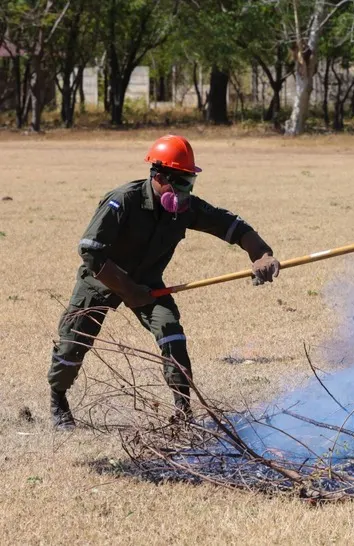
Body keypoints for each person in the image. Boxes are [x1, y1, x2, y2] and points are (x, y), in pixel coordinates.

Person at [48, 135, 280, 429]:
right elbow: (91, 252)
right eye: (180, 184)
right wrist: (128, 290)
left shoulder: (183, 209)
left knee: (172, 335)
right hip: (102, 279)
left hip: (148, 285)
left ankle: (183, 413)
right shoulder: (122, 201)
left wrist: (261, 254)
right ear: (158, 176)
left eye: (189, 184)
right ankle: (58, 399)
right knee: (73, 343)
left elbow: (232, 226)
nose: (185, 192)